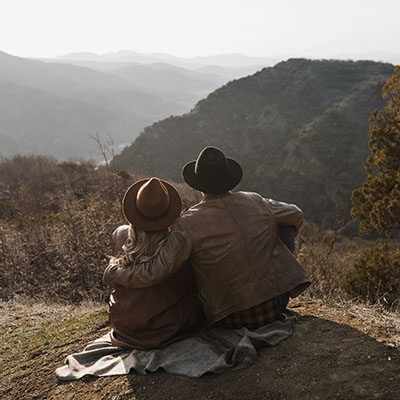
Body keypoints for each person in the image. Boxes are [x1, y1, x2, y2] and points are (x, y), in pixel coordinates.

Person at [104, 147, 310, 329]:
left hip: (230, 316)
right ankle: (280, 279)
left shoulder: (188, 223)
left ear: (197, 185)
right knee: (284, 224)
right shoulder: (256, 201)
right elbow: (296, 214)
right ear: (229, 177)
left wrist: (114, 273)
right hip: (276, 304)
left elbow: (154, 272)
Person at [106, 177, 203, 349]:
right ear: (168, 211)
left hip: (123, 324)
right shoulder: (175, 244)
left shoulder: (120, 235)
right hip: (166, 327)